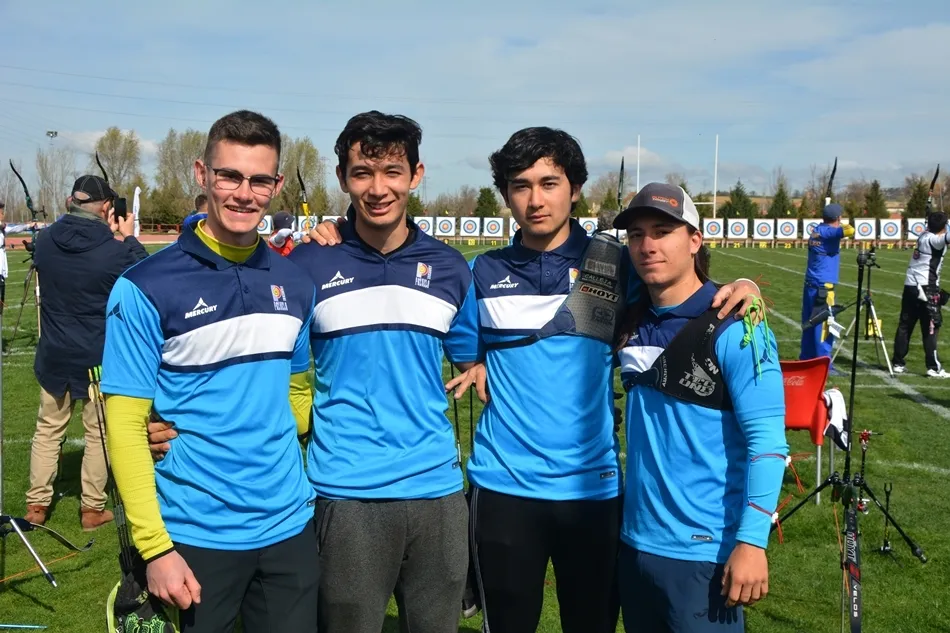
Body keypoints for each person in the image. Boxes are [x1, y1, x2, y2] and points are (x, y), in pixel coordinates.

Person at [305, 127, 763, 633]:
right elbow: (458, 347)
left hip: (593, 492)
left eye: (550, 183)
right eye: (521, 186)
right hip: (503, 492)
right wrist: (330, 233)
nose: (536, 199)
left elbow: (679, 287)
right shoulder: (478, 272)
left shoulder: (614, 265)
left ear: (575, 189)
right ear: (506, 195)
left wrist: (742, 286)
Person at [150, 110, 481, 633]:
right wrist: (168, 420)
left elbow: (474, 356)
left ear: (416, 175)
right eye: (362, 174)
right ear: (342, 178)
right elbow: (251, 363)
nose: (378, 189)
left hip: (438, 490)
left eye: (393, 172)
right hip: (345, 494)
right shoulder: (306, 265)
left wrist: (484, 369)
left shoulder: (450, 268)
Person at [101, 110, 319, 632]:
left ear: (277, 185)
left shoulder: (296, 282)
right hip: (194, 536)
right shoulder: (143, 286)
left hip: (290, 526)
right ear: (202, 174)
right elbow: (125, 426)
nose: (244, 193)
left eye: (259, 179)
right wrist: (155, 550)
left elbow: (296, 393)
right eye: (230, 176)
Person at [613, 183, 787, 632]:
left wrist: (752, 542)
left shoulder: (738, 325)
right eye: (635, 234)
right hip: (634, 546)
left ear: (695, 239)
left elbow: (768, 442)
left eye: (663, 230)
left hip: (704, 555)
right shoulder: (634, 318)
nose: (648, 245)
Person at [23, 175, 147, 530]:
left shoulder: (45, 241)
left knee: (48, 429)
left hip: (55, 351)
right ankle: (91, 508)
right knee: (98, 432)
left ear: (71, 201)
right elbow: (143, 272)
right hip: (97, 354)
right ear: (106, 207)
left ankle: (37, 504)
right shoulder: (113, 250)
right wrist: (128, 235)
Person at [893, 211, 950, 377]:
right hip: (927, 287)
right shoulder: (935, 240)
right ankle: (933, 367)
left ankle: (898, 363)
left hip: (910, 285)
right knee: (931, 327)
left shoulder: (923, 235)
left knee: (905, 325)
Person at [800, 202, 854, 372]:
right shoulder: (830, 232)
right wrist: (840, 222)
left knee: (809, 323)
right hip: (824, 287)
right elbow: (850, 230)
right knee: (824, 326)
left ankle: (806, 359)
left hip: (811, 284)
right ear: (838, 218)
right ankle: (824, 364)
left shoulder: (817, 229)